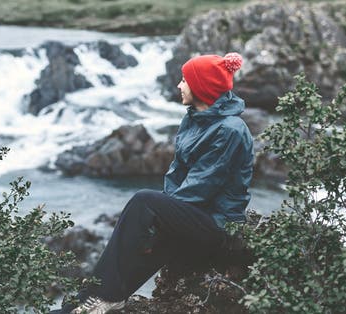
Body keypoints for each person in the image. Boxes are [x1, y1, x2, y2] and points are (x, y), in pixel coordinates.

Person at [50, 52, 254, 314]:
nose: (179, 86)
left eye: (184, 81)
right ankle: (95, 301)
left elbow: (201, 187)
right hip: (197, 216)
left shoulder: (230, 130)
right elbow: (177, 173)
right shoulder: (193, 117)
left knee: (144, 202)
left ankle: (101, 295)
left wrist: (161, 216)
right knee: (149, 224)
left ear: (202, 87)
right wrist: (164, 216)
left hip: (219, 228)